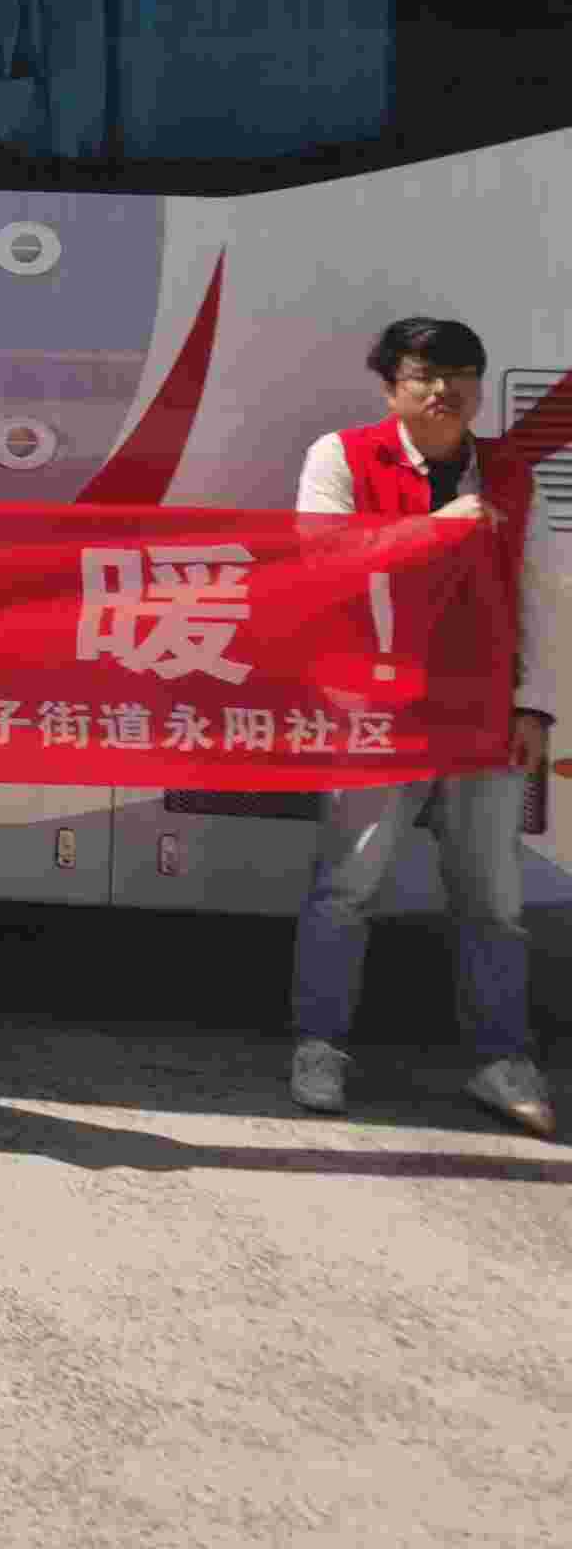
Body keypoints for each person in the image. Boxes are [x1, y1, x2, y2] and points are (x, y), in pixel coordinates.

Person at [287, 316, 559, 1138]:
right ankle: (320, 1047)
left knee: (493, 900)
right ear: (390, 387)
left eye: (461, 374)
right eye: (424, 376)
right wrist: (437, 528)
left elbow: (544, 588)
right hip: (378, 711)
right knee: (347, 887)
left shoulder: (508, 469)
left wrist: (535, 704)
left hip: (482, 713)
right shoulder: (341, 456)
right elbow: (321, 560)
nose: (445, 390)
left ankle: (501, 1059)